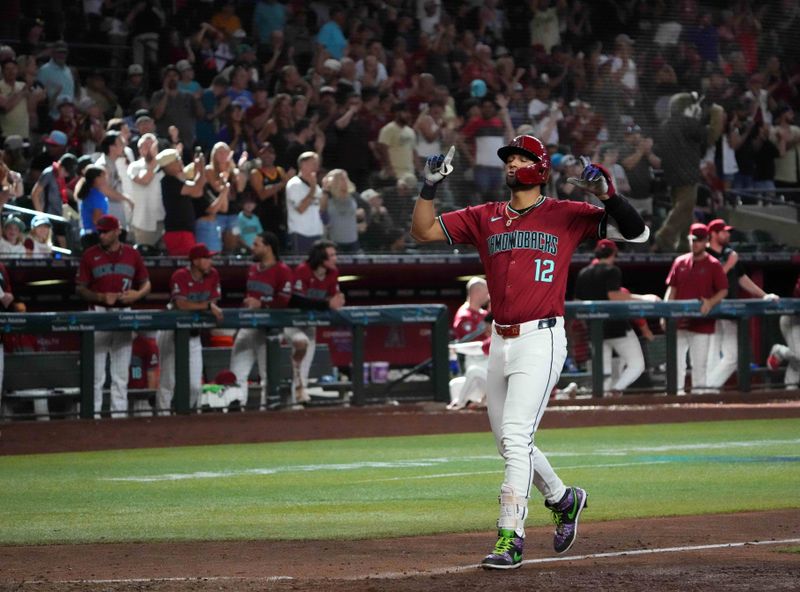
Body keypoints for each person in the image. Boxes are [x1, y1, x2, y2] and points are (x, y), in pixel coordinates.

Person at [410, 136, 649, 569]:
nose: (513, 163)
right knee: (509, 444)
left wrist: (608, 195)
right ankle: (562, 499)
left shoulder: (566, 214)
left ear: (540, 167)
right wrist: (429, 186)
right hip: (500, 340)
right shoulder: (486, 216)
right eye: (509, 158)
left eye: (521, 157)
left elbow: (638, 232)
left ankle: (510, 536)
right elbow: (423, 230)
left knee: (517, 438)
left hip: (542, 336)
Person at [76, 215, 151, 418]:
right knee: (96, 374)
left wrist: (138, 294)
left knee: (120, 374)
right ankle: (93, 416)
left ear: (117, 231)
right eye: (99, 231)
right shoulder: (90, 255)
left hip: (123, 312)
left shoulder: (131, 254)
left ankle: (118, 417)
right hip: (98, 314)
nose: (102, 235)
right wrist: (100, 296)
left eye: (106, 231)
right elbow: (80, 288)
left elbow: (146, 283)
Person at [574, 239, 661, 395]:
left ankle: (601, 405)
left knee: (603, 373)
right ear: (614, 253)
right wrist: (644, 298)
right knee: (637, 364)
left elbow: (577, 303)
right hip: (617, 327)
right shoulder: (612, 270)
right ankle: (616, 389)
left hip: (594, 328)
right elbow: (614, 296)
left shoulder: (583, 273)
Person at [705, 218, 779, 390]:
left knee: (731, 356)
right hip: (710, 309)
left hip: (729, 311)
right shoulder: (706, 254)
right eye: (723, 231)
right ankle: (706, 391)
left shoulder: (729, 253)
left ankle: (706, 389)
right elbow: (709, 281)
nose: (727, 234)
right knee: (712, 356)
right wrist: (729, 264)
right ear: (713, 234)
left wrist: (765, 295)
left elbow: (743, 280)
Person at [229, 231, 295, 407]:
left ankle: (268, 417)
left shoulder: (283, 271)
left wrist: (262, 305)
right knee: (236, 373)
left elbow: (284, 301)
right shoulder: (252, 269)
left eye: (257, 244)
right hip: (248, 325)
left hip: (269, 329)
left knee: (268, 376)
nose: (253, 247)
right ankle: (236, 412)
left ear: (268, 247)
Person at [156, 243, 223, 415]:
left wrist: (207, 306)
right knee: (168, 381)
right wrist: (207, 305)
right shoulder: (180, 275)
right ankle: (163, 417)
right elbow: (182, 304)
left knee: (194, 385)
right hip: (171, 331)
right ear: (195, 261)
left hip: (193, 334)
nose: (210, 261)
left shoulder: (213, 275)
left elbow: (215, 302)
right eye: (206, 258)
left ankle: (185, 418)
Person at [663, 223, 728, 395]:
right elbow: (672, 288)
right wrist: (665, 313)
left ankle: (699, 405)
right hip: (678, 321)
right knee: (676, 364)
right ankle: (675, 400)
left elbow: (723, 289)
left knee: (700, 365)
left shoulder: (714, 264)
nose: (695, 244)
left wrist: (710, 302)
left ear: (706, 241)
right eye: (693, 240)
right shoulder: (680, 261)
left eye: (699, 240)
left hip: (701, 322)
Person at [286, 240, 346, 405]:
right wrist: (326, 304)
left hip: (310, 324)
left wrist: (337, 300)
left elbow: (335, 298)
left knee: (304, 366)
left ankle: (296, 402)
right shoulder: (303, 270)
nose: (335, 258)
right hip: (292, 321)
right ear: (321, 259)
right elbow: (296, 301)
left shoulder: (333, 273)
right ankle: (294, 398)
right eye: (332, 255)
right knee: (301, 343)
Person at [448, 277, 491, 410]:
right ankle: (465, 414)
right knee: (454, 384)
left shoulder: (498, 334)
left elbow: (480, 345)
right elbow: (477, 345)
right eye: (486, 292)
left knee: (474, 372)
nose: (488, 296)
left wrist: (456, 348)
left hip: (496, 379)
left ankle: (459, 404)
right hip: (476, 364)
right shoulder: (464, 315)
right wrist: (457, 347)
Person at [158, 148, 206, 256]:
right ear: (169, 165)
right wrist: (200, 168)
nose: (181, 162)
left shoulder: (178, 180)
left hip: (184, 232)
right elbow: (197, 187)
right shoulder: (169, 181)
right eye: (178, 159)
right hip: (179, 233)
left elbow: (198, 193)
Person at [285, 151, 327, 255]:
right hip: (300, 233)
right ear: (303, 164)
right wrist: (312, 189)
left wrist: (325, 191)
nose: (317, 168)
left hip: (317, 233)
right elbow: (301, 209)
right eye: (314, 164)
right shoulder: (294, 184)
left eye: (317, 164)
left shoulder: (316, 186)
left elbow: (322, 209)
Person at [127, 133, 165, 247]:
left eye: (152, 145)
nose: (149, 148)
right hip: (143, 221)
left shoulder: (164, 166)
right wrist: (154, 163)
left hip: (162, 218)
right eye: (145, 146)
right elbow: (144, 181)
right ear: (139, 150)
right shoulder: (134, 167)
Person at [767, 274, 800, 388]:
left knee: (797, 361)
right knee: (799, 355)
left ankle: (790, 388)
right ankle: (779, 351)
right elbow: (797, 292)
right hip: (794, 318)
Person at [77, 165, 109, 246]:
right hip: (93, 238)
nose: (106, 179)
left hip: (88, 235)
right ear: (96, 179)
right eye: (103, 176)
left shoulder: (91, 193)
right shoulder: (96, 196)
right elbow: (97, 220)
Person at [128, 332, 160, 416]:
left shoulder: (135, 342)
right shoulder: (151, 345)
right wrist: (152, 395)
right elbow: (151, 373)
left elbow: (136, 372)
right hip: (144, 395)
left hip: (131, 392)